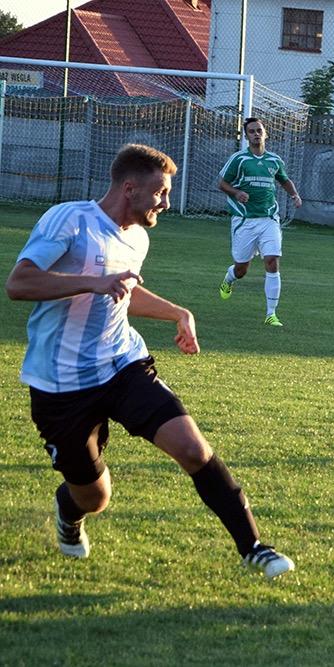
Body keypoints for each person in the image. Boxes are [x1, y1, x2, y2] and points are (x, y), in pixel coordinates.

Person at [6, 144, 295, 579]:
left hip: (123, 364)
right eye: (161, 192)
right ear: (130, 188)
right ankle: (69, 510)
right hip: (61, 384)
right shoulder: (70, 219)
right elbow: (19, 283)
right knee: (94, 497)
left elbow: (124, 294)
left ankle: (254, 547)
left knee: (193, 449)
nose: (166, 203)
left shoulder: (138, 237)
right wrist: (93, 282)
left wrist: (178, 313)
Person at [217, 117, 302, 327]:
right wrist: (236, 193)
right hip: (245, 221)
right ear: (247, 136)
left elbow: (284, 179)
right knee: (242, 269)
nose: (256, 134)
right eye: (252, 131)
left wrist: (294, 195)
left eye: (259, 130)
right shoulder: (239, 159)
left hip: (269, 219)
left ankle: (271, 314)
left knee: (272, 261)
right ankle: (229, 278)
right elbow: (222, 183)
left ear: (266, 134)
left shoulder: (274, 160)